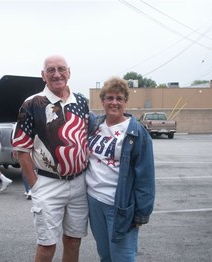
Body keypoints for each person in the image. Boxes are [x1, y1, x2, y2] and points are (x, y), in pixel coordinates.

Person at [11, 55, 90, 262]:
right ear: (43, 75)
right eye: (51, 70)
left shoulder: (81, 101)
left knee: (73, 241)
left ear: (69, 72)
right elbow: (22, 148)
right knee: (47, 246)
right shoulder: (32, 104)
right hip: (47, 183)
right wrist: (35, 184)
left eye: (61, 69)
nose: (57, 74)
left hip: (80, 183)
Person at [85, 77, 155, 262]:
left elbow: (146, 177)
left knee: (122, 257)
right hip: (94, 200)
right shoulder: (95, 126)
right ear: (102, 101)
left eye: (119, 98)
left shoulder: (136, 133)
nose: (114, 102)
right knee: (105, 255)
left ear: (125, 101)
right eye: (109, 98)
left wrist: (141, 213)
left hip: (119, 206)